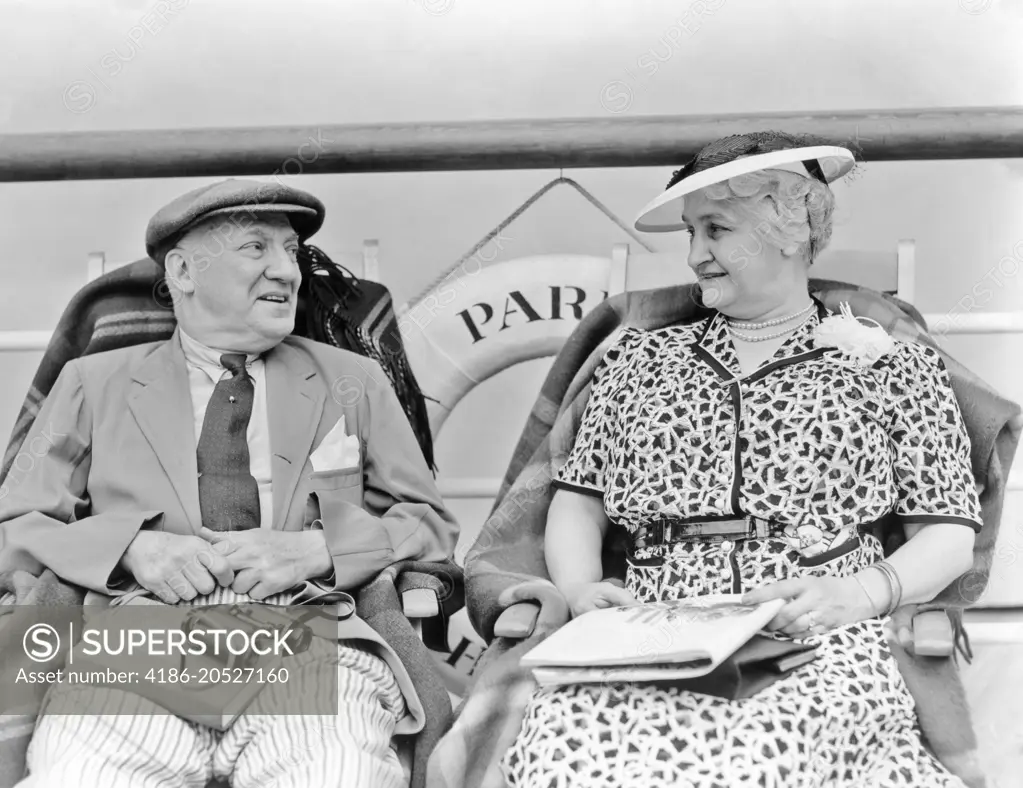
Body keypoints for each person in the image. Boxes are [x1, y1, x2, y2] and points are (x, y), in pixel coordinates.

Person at [500, 132, 982, 787]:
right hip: (646, 638)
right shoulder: (636, 362)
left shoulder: (891, 364)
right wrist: (583, 590)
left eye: (716, 230)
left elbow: (949, 532)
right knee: (558, 757)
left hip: (811, 632)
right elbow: (578, 503)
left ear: (790, 231)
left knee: (750, 763)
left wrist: (859, 595)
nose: (695, 255)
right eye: (690, 234)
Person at [0, 179, 459, 788]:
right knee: (79, 775)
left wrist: (320, 549)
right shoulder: (94, 381)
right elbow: (17, 523)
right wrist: (130, 548)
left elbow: (427, 523)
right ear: (184, 272)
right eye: (254, 248)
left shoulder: (354, 379)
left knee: (335, 774)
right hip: (140, 646)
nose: (286, 270)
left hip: (306, 638)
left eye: (291, 251)